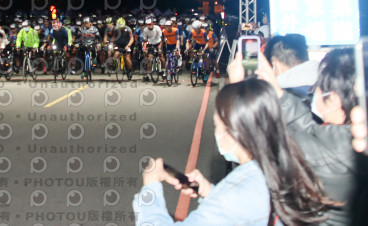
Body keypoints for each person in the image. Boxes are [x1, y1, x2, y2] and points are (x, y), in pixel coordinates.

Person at [133, 78, 337, 226]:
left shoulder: (235, 195)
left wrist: (150, 188)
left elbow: (234, 203)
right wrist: (210, 192)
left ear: (234, 132)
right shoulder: (285, 166)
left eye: (217, 126)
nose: (217, 132)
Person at [246, 49, 368, 225]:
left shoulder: (332, 148)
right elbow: (311, 130)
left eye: (317, 87)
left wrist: (240, 92)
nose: (314, 92)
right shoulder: (346, 136)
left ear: (333, 99)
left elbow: (269, 144)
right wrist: (278, 92)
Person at [142, 17, 163, 82]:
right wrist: (144, 48)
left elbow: (161, 39)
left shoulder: (157, 28)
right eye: (147, 24)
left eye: (150, 24)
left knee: (161, 57)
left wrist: (159, 48)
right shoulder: (145, 30)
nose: (149, 26)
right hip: (151, 44)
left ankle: (163, 71)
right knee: (149, 59)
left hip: (158, 43)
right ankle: (148, 74)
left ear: (152, 23)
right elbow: (145, 40)